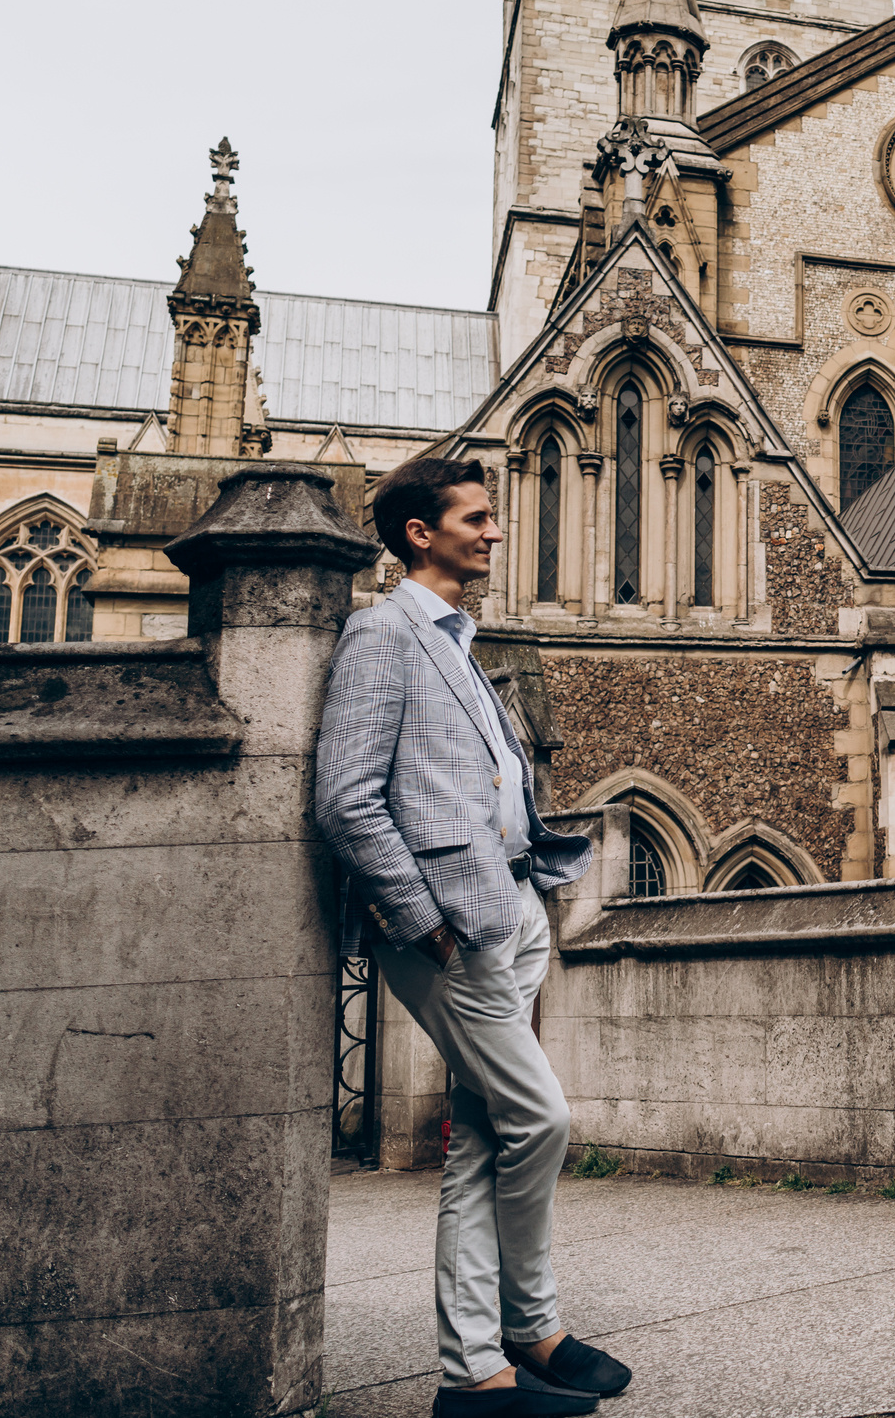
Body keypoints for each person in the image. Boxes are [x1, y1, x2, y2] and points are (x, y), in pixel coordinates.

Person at [314, 457, 631, 1415]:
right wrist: (425, 923)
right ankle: (497, 1349)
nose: (495, 532)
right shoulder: (382, 634)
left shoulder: (457, 638)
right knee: (542, 1120)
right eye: (477, 518)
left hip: (509, 909)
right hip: (452, 931)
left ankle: (507, 1350)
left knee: (484, 1137)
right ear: (420, 532)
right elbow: (347, 800)